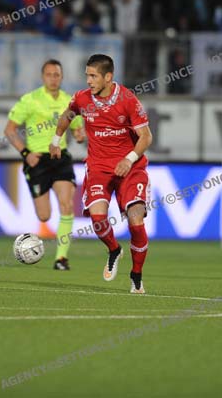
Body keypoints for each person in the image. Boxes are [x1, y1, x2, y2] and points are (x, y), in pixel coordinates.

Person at [50, 54, 153, 293]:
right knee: (97, 220)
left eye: (93, 76)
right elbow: (67, 115)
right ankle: (114, 249)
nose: (88, 80)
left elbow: (146, 137)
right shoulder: (82, 98)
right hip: (98, 167)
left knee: (136, 221)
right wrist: (56, 140)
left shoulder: (128, 99)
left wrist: (129, 159)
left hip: (131, 168)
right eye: (87, 75)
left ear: (108, 77)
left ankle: (136, 275)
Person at [5, 59, 86, 270]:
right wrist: (25, 153)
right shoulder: (30, 100)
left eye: (56, 74)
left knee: (67, 206)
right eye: (49, 75)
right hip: (37, 161)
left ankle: (61, 258)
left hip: (60, 158)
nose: (53, 78)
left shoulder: (70, 101)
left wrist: (79, 135)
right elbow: (9, 130)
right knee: (44, 216)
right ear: (43, 77)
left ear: (62, 77)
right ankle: (30, 244)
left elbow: (77, 129)